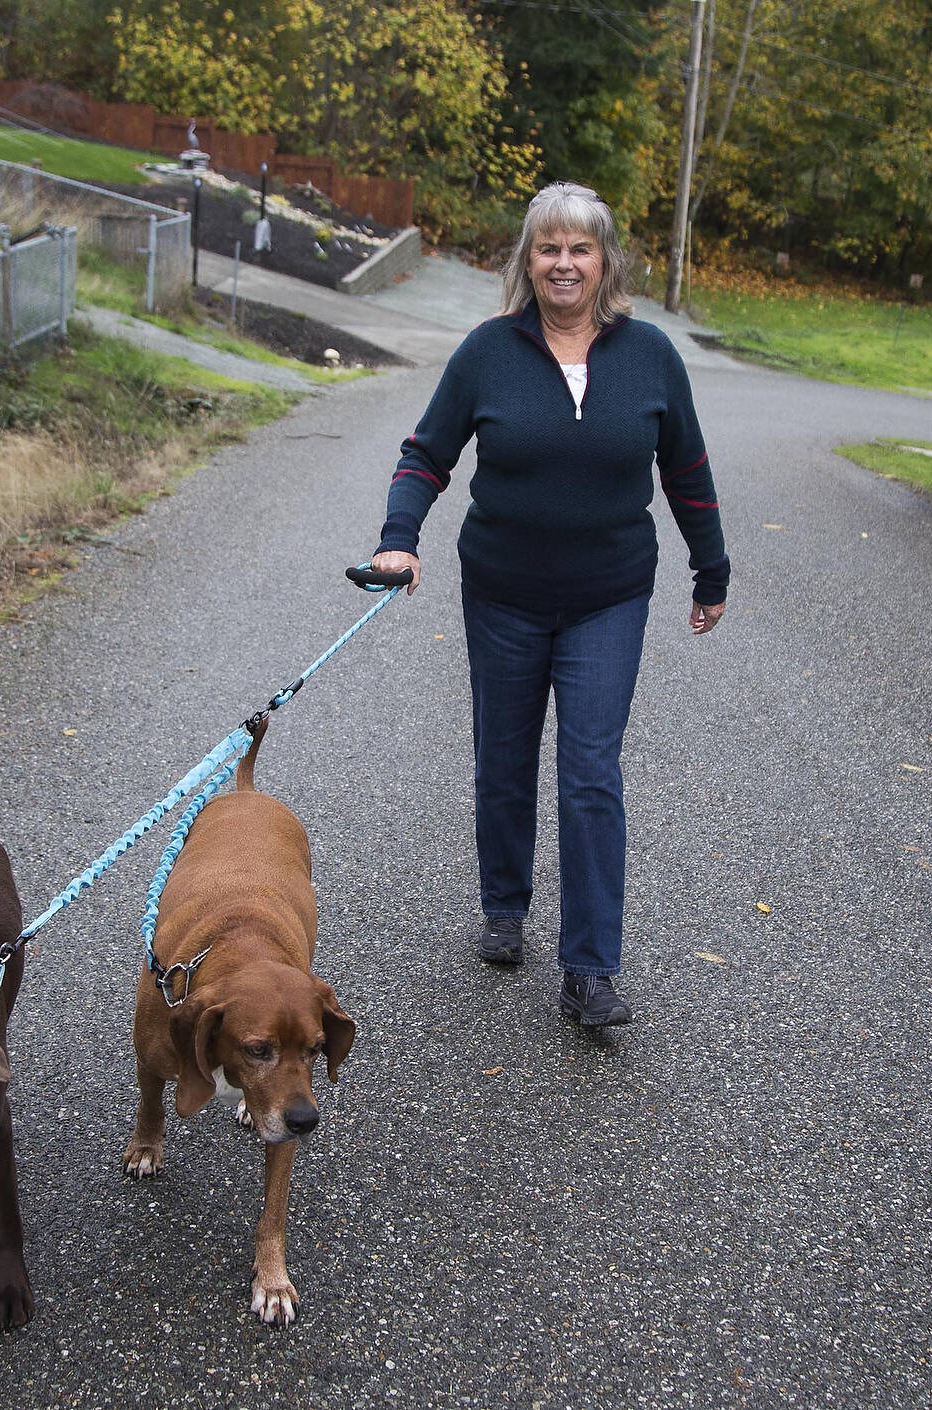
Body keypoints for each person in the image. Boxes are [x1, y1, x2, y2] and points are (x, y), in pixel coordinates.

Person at [369, 181, 729, 1030]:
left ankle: (590, 969)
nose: (563, 264)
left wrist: (710, 572)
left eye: (579, 249)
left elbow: (687, 471)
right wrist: (399, 536)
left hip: (609, 593)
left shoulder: (650, 357)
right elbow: (426, 454)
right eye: (547, 248)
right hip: (504, 590)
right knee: (503, 755)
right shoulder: (488, 352)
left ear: (605, 261)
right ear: (526, 260)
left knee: (591, 773)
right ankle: (504, 905)